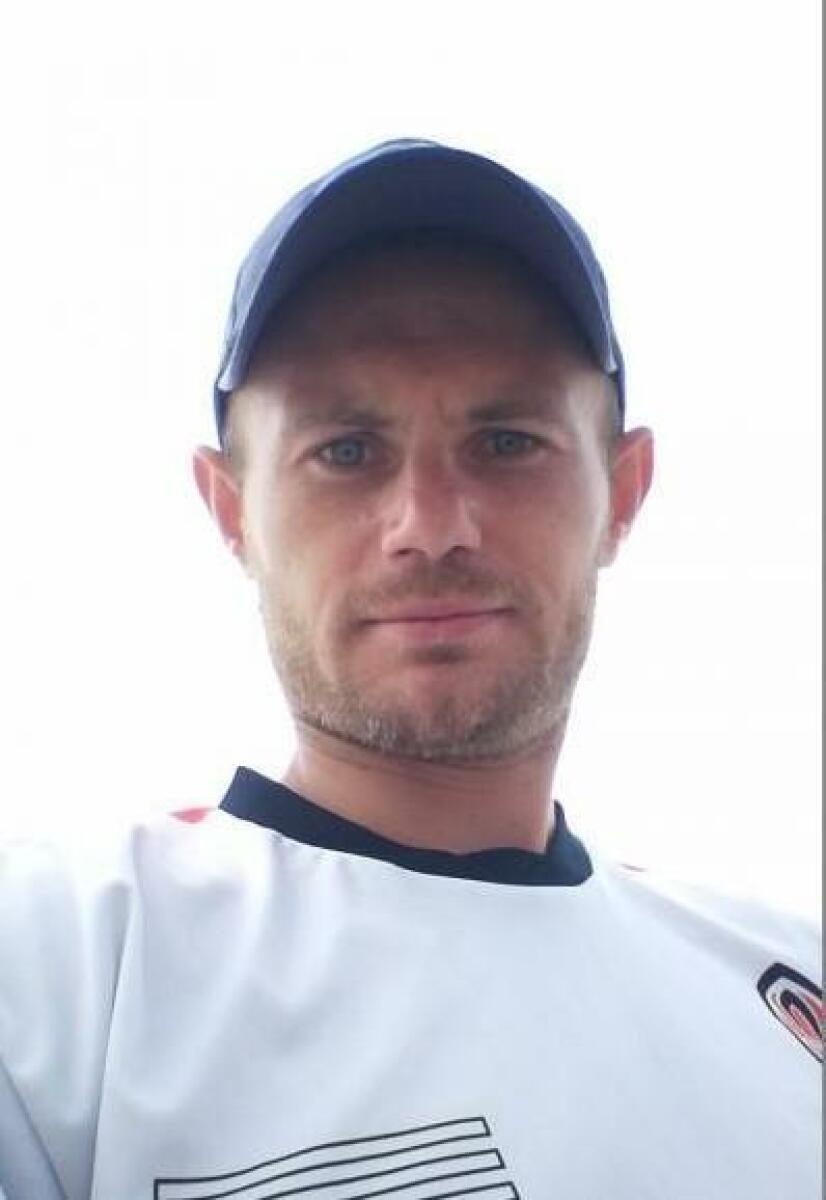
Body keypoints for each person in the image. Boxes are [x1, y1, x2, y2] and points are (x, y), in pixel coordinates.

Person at [0, 139, 820, 1200]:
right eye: (346, 451)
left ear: (623, 492)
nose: (430, 527)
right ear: (232, 510)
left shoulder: (784, 986)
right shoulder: (59, 974)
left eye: (508, 441)